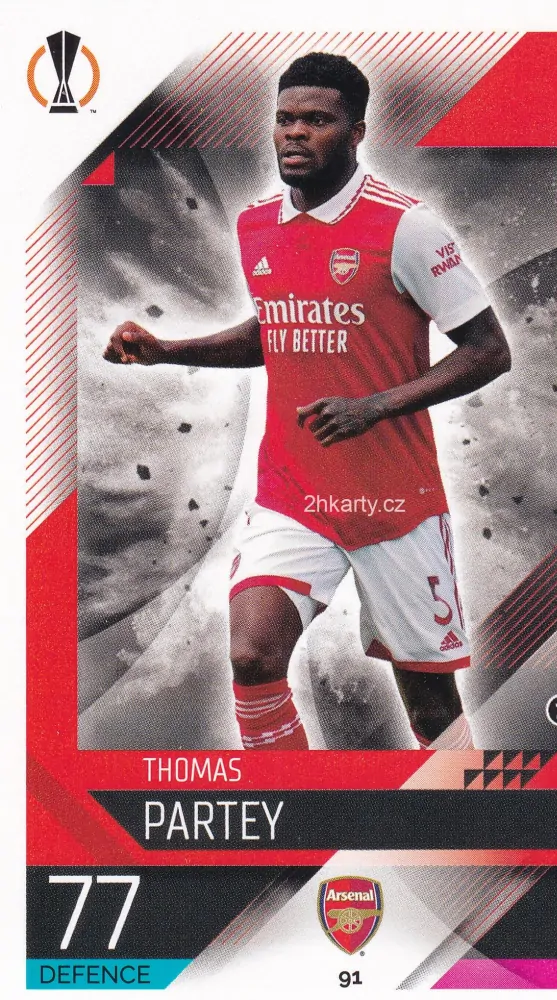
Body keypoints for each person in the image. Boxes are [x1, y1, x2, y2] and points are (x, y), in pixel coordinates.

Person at [104, 52, 511, 751]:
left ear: (356, 133)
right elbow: (275, 330)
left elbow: (488, 350)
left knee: (430, 711)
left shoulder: (407, 228)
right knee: (252, 658)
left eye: (317, 121)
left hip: (395, 502)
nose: (295, 132)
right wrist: (169, 349)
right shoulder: (257, 224)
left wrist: (375, 406)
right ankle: (296, 808)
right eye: (285, 119)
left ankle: (471, 813)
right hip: (294, 493)